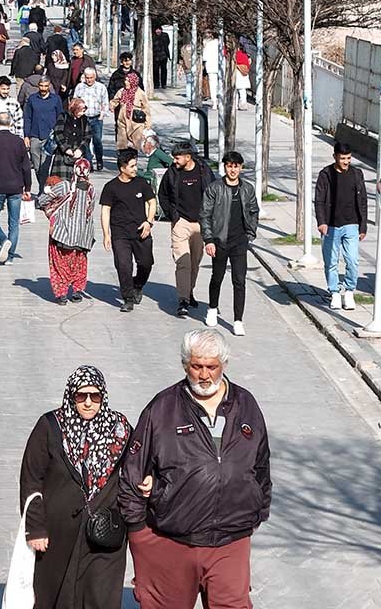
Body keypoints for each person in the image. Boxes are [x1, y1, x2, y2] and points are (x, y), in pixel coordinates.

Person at [119, 329, 272, 609]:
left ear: (224, 365)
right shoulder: (162, 408)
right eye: (197, 366)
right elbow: (133, 472)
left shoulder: (246, 404)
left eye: (211, 367)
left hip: (231, 540)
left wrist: (258, 510)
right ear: (185, 365)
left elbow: (261, 465)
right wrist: (138, 532)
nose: (204, 375)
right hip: (173, 541)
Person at [19, 365, 132, 607]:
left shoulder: (120, 429)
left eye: (95, 396)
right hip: (58, 533)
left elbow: (136, 467)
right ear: (71, 396)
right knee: (56, 595)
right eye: (81, 396)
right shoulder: (50, 426)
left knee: (100, 596)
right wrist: (35, 528)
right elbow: (31, 477)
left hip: (105, 532)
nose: (89, 403)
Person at [200, 152, 259, 336]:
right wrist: (209, 240)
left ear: (241, 168)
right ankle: (212, 308)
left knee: (239, 281)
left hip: (240, 241)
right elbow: (205, 215)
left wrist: (250, 232)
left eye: (236, 166)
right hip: (219, 241)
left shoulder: (247, 188)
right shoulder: (214, 188)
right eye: (229, 166)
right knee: (217, 277)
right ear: (224, 167)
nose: (233, 170)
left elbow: (254, 210)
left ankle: (238, 320)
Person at [158, 141, 215, 317]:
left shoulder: (204, 172)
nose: (174, 161)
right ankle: (182, 300)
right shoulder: (172, 173)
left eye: (177, 158)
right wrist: (172, 215)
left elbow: (214, 192)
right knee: (183, 261)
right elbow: (163, 195)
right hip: (181, 222)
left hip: (201, 224)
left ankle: (189, 292)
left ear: (188, 157)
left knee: (195, 262)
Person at [101, 149, 157, 312]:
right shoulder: (111, 187)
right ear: (122, 168)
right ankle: (128, 298)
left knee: (146, 263)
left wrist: (149, 222)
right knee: (124, 266)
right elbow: (105, 211)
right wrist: (106, 234)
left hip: (142, 232)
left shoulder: (141, 183)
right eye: (132, 166)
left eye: (135, 165)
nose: (135, 169)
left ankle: (137, 285)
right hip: (120, 234)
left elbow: (152, 203)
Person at [315, 142, 368, 310]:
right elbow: (319, 200)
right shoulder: (326, 174)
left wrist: (363, 226)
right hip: (331, 225)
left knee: (352, 260)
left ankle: (349, 290)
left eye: (349, 158)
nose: (346, 162)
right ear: (335, 157)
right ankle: (335, 292)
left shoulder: (357, 174)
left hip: (351, 224)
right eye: (343, 158)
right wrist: (321, 221)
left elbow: (363, 201)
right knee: (331, 261)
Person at [38, 158, 97, 303]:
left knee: (58, 262)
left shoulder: (64, 186)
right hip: (83, 235)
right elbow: (90, 211)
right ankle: (77, 290)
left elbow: (42, 200)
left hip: (61, 232)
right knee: (79, 263)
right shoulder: (92, 191)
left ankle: (61, 292)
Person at [0, 112, 32, 265]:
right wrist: (27, 187)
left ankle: (3, 240)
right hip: (16, 186)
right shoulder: (19, 142)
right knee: (14, 222)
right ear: (11, 124)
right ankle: (9, 257)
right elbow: (26, 167)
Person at [24, 76, 64, 192]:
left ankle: (42, 192)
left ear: (49, 86)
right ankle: (44, 189)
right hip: (35, 135)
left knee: (44, 166)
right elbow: (27, 117)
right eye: (41, 86)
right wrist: (26, 135)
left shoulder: (55, 99)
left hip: (50, 136)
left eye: (46, 86)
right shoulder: (32, 99)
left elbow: (60, 117)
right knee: (37, 167)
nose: (43, 88)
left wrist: (58, 134)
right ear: (38, 86)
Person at [46, 98, 91, 184]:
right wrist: (66, 149)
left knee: (78, 184)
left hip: (78, 155)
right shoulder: (63, 116)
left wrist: (81, 149)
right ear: (74, 109)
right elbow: (58, 133)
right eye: (80, 111)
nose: (82, 113)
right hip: (62, 155)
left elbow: (88, 136)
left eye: (83, 111)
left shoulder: (84, 119)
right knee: (59, 183)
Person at [72, 67, 109, 170]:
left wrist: (102, 115)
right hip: (83, 118)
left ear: (95, 77)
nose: (89, 80)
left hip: (96, 118)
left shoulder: (101, 87)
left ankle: (99, 159)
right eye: (87, 77)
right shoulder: (80, 87)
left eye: (91, 78)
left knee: (97, 140)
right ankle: (89, 162)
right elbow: (75, 101)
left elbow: (105, 103)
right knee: (85, 141)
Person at [111, 73, 150, 151]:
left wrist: (147, 124)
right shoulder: (122, 91)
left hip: (136, 125)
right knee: (122, 146)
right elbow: (114, 101)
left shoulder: (140, 93)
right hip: (123, 122)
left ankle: (133, 161)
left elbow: (146, 109)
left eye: (128, 81)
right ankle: (122, 161)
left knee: (135, 146)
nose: (125, 82)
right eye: (125, 80)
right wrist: (112, 106)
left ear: (133, 82)